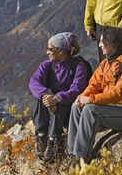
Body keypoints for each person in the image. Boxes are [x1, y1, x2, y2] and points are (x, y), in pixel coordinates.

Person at [67, 26, 122, 163]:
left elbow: (118, 93)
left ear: (113, 43)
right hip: (110, 110)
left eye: (103, 42)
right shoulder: (105, 64)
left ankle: (81, 158)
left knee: (91, 109)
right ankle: (73, 153)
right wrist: (81, 98)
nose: (100, 45)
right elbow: (94, 85)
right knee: (75, 107)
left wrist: (90, 100)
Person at [29, 32, 88, 162]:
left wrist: (57, 98)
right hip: (52, 104)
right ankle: (41, 135)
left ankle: (53, 141)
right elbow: (33, 82)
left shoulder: (79, 66)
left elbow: (77, 90)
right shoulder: (47, 65)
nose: (47, 52)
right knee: (39, 98)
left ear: (61, 51)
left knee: (60, 103)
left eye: (51, 49)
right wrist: (46, 95)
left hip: (68, 109)